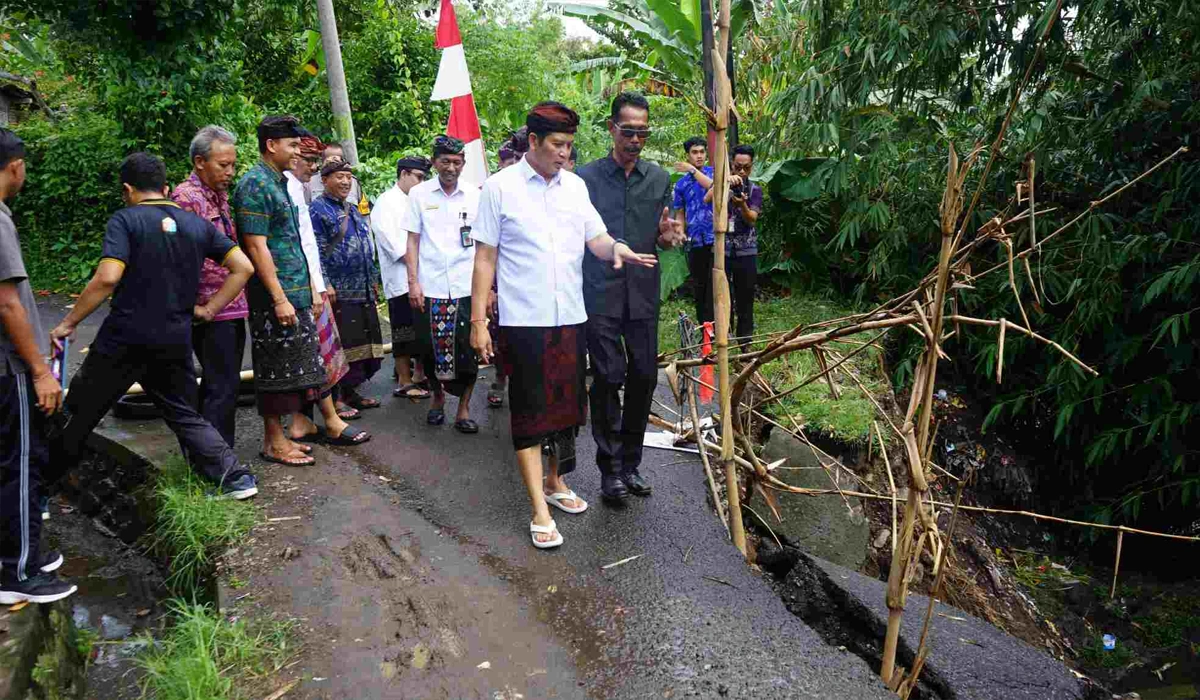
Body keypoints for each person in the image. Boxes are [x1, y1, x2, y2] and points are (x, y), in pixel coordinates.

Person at [470, 102, 658, 548]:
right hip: (525, 320)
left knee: (568, 410)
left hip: (572, 317)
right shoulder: (499, 189)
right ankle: (538, 508)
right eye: (557, 145)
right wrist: (479, 320)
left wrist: (617, 248)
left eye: (569, 145)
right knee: (532, 414)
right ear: (533, 142)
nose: (563, 153)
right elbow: (484, 258)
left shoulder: (575, 188)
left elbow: (595, 237)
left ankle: (556, 483)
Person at [50, 151, 258, 501]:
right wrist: (209, 309)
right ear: (164, 186)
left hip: (125, 337)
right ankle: (236, 479)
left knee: (79, 411)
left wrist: (68, 323)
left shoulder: (126, 220)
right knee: (185, 414)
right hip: (174, 337)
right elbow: (243, 267)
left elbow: (108, 278)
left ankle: (38, 490)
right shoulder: (195, 224)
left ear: (127, 189)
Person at [577, 91, 685, 502]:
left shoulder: (658, 179)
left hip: (641, 293)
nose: (636, 140)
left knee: (643, 376)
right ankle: (610, 471)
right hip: (599, 292)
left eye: (643, 132)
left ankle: (631, 463)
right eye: (628, 131)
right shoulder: (585, 179)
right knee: (607, 376)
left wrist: (669, 237)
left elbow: (664, 231)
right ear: (612, 129)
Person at [0, 128, 76, 604]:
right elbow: (8, 304)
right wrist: (40, 371)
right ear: (14, 166)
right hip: (9, 368)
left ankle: (17, 552)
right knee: (21, 463)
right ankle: (17, 571)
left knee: (8, 461)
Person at [233, 115, 325, 467]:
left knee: (292, 369)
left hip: (294, 291)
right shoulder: (255, 185)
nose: (296, 151)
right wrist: (280, 297)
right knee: (273, 369)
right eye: (291, 145)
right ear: (271, 145)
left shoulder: (277, 183)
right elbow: (257, 247)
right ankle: (273, 441)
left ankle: (282, 436)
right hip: (274, 296)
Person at [283, 133, 370, 446]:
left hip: (313, 287)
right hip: (295, 288)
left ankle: (308, 419)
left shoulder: (295, 189)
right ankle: (323, 418)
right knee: (313, 355)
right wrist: (320, 284)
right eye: (309, 160)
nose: (312, 167)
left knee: (322, 352)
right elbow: (309, 246)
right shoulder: (288, 192)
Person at [171, 125, 248, 449]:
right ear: (200, 162)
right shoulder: (185, 199)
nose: (229, 172)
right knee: (220, 386)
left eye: (232, 165)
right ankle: (218, 463)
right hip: (208, 309)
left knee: (224, 384)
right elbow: (178, 260)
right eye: (223, 165)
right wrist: (200, 307)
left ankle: (212, 457)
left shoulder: (218, 195)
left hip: (230, 305)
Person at [403, 135, 481, 434]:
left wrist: (489, 290)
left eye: (457, 162)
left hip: (465, 287)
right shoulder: (420, 195)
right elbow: (412, 240)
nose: (451, 167)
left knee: (468, 350)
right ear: (435, 162)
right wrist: (413, 282)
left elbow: (485, 244)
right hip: (431, 287)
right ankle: (437, 399)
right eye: (445, 161)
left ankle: (463, 409)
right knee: (429, 349)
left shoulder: (475, 195)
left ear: (463, 163)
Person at [311, 160, 385, 410]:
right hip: (338, 293)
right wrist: (325, 284)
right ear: (325, 180)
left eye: (348, 177)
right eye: (339, 177)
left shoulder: (353, 209)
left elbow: (367, 245)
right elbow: (316, 251)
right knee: (343, 346)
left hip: (363, 289)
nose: (345, 182)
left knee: (366, 346)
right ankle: (338, 398)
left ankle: (352, 392)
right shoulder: (317, 210)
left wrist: (373, 279)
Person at [372, 155, 432, 400]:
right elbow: (396, 247)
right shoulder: (386, 204)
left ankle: (419, 375)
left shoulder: (421, 201)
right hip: (400, 279)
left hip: (424, 277)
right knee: (403, 331)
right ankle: (404, 380)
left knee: (421, 330)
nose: (422, 182)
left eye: (424, 178)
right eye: (418, 177)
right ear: (404, 174)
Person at [485, 127, 530, 408]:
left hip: (536, 280)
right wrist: (490, 288)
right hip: (502, 278)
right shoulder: (495, 189)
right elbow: (486, 249)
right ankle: (500, 379)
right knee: (503, 336)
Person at [705, 143, 763, 344]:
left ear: (752, 167)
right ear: (731, 164)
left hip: (746, 252)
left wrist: (742, 204)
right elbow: (707, 199)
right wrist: (724, 184)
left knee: (745, 299)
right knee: (720, 298)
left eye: (746, 167)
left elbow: (752, 218)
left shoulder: (755, 189)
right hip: (722, 250)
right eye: (738, 166)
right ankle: (723, 339)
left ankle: (745, 343)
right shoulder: (722, 182)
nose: (742, 171)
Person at [673, 136, 716, 324]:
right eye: (694, 152)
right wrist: (680, 232)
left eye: (702, 152)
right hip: (695, 240)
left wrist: (692, 170)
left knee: (718, 286)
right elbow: (680, 213)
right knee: (700, 287)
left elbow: (715, 187)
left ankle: (724, 328)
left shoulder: (714, 174)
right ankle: (705, 331)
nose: (699, 156)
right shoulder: (681, 184)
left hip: (716, 238)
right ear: (688, 155)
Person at [306, 141, 363, 208]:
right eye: (330, 162)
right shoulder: (310, 182)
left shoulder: (353, 182)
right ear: (322, 161)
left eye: (337, 162)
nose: (333, 166)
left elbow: (363, 212)